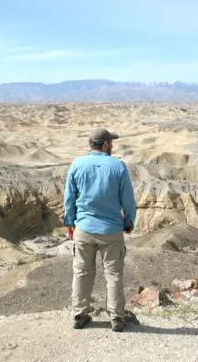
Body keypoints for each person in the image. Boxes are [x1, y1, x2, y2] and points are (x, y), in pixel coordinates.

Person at [63, 128, 137, 332]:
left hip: (84, 228)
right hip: (111, 230)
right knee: (113, 275)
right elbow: (128, 199)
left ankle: (79, 315)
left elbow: (69, 199)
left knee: (82, 273)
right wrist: (129, 221)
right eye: (111, 142)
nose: (112, 146)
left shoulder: (77, 165)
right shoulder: (118, 167)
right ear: (105, 144)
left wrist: (70, 222)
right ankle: (116, 318)